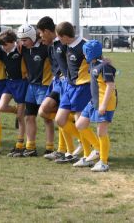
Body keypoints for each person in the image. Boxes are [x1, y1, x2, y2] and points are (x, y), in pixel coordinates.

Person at [55, 22, 101, 167]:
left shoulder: (85, 45)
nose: (58, 40)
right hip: (70, 87)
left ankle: (89, 154)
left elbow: (98, 60)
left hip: (82, 87)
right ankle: (89, 145)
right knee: (60, 119)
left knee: (80, 121)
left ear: (64, 36)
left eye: (59, 37)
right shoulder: (65, 45)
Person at [36, 16, 80, 163]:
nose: (40, 37)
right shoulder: (52, 45)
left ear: (48, 31)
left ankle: (67, 149)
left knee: (59, 116)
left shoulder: (64, 43)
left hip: (67, 84)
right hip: (57, 84)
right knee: (44, 111)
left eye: (41, 34)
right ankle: (69, 145)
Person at [76, 40, 117, 172]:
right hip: (93, 102)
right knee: (80, 125)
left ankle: (103, 162)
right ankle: (97, 150)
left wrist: (103, 105)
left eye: (85, 52)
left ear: (90, 53)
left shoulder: (104, 66)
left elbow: (111, 86)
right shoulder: (92, 64)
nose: (83, 54)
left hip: (105, 103)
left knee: (101, 131)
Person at [17, 24, 54, 157]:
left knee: (47, 118)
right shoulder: (24, 48)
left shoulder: (45, 48)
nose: (22, 42)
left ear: (33, 37)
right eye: (20, 40)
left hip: (44, 87)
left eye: (25, 40)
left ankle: (50, 148)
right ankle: (30, 147)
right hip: (31, 87)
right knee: (29, 117)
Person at [0, 30, 28, 157]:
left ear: (13, 42)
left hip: (21, 83)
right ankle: (18, 111)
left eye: (6, 45)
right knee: (1, 107)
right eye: (2, 45)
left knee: (20, 118)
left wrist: (21, 42)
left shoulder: (20, 50)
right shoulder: (3, 52)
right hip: (9, 83)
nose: (4, 47)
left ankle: (20, 144)